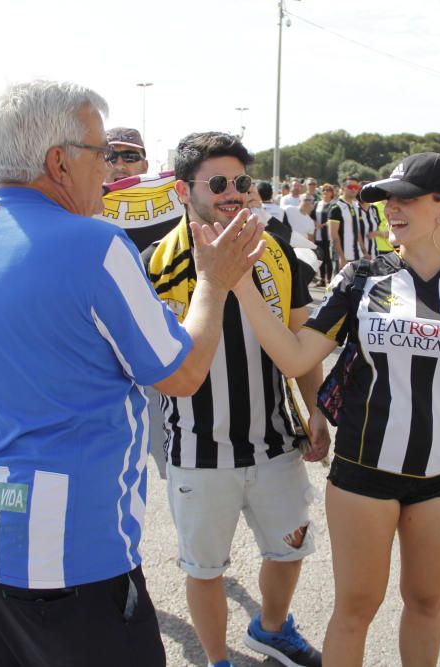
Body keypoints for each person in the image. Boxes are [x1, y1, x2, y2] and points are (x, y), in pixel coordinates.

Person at [0, 81, 263, 667]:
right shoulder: (96, 243)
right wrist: (212, 280)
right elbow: (182, 373)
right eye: (100, 154)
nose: (111, 173)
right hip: (66, 556)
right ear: (59, 162)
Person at [233, 153, 440, 665]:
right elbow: (296, 355)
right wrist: (240, 284)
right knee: (356, 608)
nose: (392, 210)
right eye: (387, 201)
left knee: (426, 602)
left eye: (406, 199)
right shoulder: (362, 277)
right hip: (363, 471)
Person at [142, 132, 326, 667]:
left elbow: (302, 338)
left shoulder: (278, 251)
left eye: (242, 182)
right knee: (204, 569)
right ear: (182, 190)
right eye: (218, 183)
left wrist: (315, 407)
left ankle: (270, 629)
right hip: (197, 450)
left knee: (290, 550)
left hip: (276, 441)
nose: (234, 193)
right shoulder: (156, 262)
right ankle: (217, 660)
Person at [329, 177, 364, 268]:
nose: (353, 189)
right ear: (343, 188)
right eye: (350, 186)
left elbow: (357, 230)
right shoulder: (336, 207)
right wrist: (341, 257)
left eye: (356, 187)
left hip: (356, 255)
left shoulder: (355, 206)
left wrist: (364, 251)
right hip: (343, 256)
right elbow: (334, 235)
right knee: (339, 281)